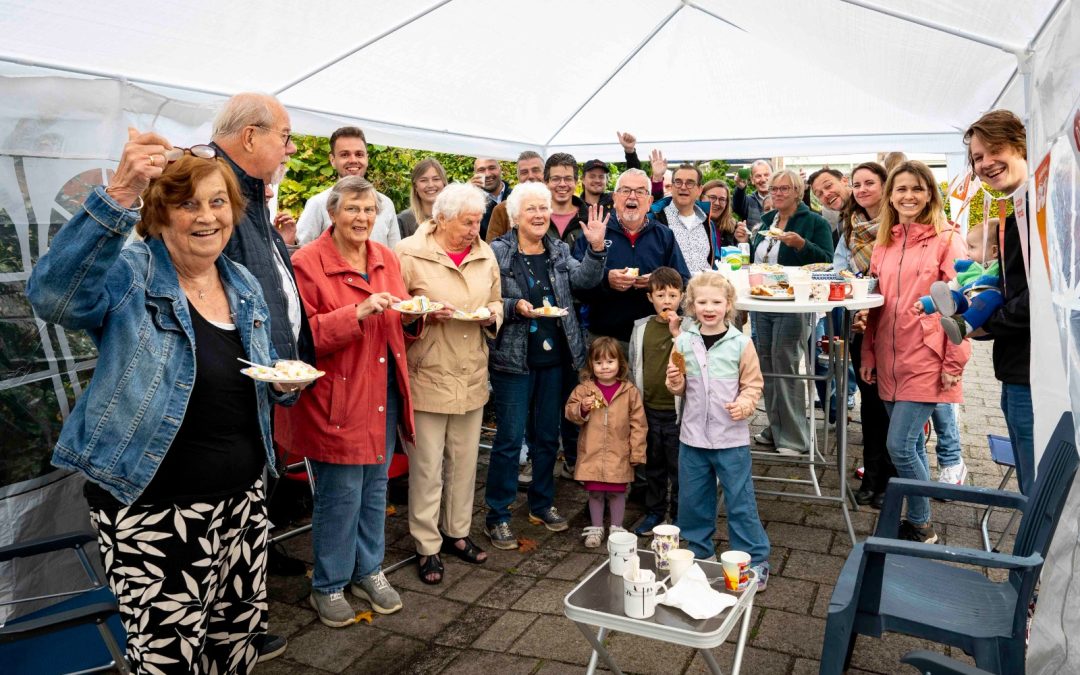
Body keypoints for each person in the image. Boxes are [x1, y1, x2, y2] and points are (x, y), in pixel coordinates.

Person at [27, 133, 303, 673]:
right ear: (159, 214)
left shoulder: (240, 280)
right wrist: (123, 189)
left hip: (243, 503)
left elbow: (257, 368)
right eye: (188, 204)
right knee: (169, 661)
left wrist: (280, 385)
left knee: (236, 648)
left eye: (218, 202)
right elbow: (53, 295)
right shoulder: (131, 275)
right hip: (155, 509)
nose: (207, 217)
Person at [275, 176, 415, 627]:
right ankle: (329, 584)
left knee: (375, 489)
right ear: (332, 213)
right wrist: (356, 312)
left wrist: (414, 318)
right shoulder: (307, 263)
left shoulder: (386, 257)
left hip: (383, 390)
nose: (363, 218)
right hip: (338, 395)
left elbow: (399, 319)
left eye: (370, 210)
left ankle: (368, 570)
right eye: (353, 209)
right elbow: (301, 337)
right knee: (340, 496)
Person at [484, 183, 608, 548]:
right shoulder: (497, 252)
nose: (539, 215)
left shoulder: (558, 249)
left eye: (544, 208)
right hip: (513, 359)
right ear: (515, 216)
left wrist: (597, 249)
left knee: (546, 436)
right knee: (509, 439)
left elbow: (584, 281)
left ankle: (541, 502)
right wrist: (512, 307)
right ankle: (498, 514)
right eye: (531, 209)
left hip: (555, 358)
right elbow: (487, 295)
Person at [395, 183, 503, 584]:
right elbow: (397, 309)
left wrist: (491, 315)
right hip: (428, 372)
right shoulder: (408, 252)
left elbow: (496, 299)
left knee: (464, 462)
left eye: (478, 221)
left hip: (471, 372)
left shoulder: (484, 251)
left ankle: (457, 533)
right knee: (426, 467)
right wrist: (421, 315)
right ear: (440, 218)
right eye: (467, 221)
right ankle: (426, 545)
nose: (475, 228)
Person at [860, 161, 971, 544]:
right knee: (910, 445)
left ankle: (922, 524)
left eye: (917, 189)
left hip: (928, 356)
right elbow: (877, 304)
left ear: (930, 194)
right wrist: (869, 355)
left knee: (899, 445)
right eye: (901, 189)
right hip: (889, 358)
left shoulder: (947, 239)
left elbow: (962, 306)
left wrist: (954, 363)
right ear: (891, 195)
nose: (909, 196)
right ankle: (918, 521)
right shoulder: (885, 241)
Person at [665, 273, 770, 589]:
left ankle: (754, 558)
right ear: (691, 306)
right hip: (693, 437)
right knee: (693, 499)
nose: (709, 308)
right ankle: (699, 553)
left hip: (730, 438)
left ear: (728, 305)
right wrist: (674, 382)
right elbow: (680, 386)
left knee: (740, 500)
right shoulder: (682, 341)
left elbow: (753, 385)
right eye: (702, 302)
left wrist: (745, 404)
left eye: (716, 302)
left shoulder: (741, 343)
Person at [963, 110, 1033, 495]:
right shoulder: (1016, 208)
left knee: (1038, 493)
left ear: (1020, 145)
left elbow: (1042, 297)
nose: (985, 163)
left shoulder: (1039, 208)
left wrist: (989, 323)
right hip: (1015, 366)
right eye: (977, 157)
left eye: (994, 150)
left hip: (1035, 373)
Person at [749, 169, 833, 456]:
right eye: (774, 188)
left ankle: (794, 438)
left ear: (798, 191)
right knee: (766, 367)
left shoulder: (814, 222)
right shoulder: (766, 221)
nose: (778, 193)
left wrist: (801, 245)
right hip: (761, 302)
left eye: (785, 188)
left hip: (794, 304)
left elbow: (827, 262)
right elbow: (759, 258)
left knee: (784, 365)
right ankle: (776, 427)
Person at [572, 168, 690, 350]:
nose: (632, 197)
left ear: (650, 201)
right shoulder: (595, 232)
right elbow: (577, 286)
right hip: (606, 341)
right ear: (615, 198)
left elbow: (683, 281)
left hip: (654, 339)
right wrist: (607, 280)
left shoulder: (664, 235)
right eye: (626, 190)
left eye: (640, 192)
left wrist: (656, 282)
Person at [838, 162, 896, 507]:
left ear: (885, 185)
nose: (861, 190)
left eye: (869, 183)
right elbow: (838, 268)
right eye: (856, 184)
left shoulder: (898, 226)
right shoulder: (852, 227)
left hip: (893, 324)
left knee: (891, 407)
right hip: (861, 323)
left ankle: (890, 480)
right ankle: (872, 478)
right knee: (870, 405)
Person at [564, 338, 647, 548]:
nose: (605, 367)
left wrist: (637, 451)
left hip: (620, 452)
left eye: (610, 361)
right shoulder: (585, 389)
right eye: (599, 362)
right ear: (591, 365)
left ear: (620, 363)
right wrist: (582, 408)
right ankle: (596, 527)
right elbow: (570, 412)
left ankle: (617, 527)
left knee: (617, 491)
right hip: (592, 452)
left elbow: (639, 423)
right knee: (595, 492)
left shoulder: (629, 391)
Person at [628, 267, 684, 535]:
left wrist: (677, 333)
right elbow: (633, 366)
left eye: (673, 295)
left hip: (677, 414)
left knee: (678, 467)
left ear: (682, 298)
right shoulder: (641, 328)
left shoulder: (688, 329)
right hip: (649, 410)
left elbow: (691, 360)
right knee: (653, 465)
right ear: (650, 297)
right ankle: (654, 512)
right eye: (660, 295)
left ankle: (679, 517)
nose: (667, 301)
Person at [295, 126, 400, 249]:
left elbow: (395, 254)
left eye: (359, 154)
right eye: (345, 155)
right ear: (333, 160)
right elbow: (302, 253)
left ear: (367, 158)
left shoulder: (386, 203)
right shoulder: (318, 204)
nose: (353, 160)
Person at [917, 218, 1003, 344]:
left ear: (994, 251)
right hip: (968, 298)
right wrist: (931, 300)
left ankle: (963, 326)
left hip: (983, 304)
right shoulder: (970, 267)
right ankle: (932, 303)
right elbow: (954, 285)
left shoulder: (1000, 266)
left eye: (972, 247)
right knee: (953, 295)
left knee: (991, 297)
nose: (967, 252)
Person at [650, 163, 716, 273]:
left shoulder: (707, 222)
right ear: (671, 187)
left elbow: (712, 262)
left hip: (704, 288)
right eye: (678, 182)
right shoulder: (656, 220)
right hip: (672, 288)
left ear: (699, 190)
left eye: (690, 183)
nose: (683, 187)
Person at [483, 151, 545, 242]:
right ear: (518, 177)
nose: (530, 176)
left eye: (535, 170)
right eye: (524, 172)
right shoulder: (502, 210)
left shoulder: (559, 205)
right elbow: (491, 251)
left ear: (545, 173)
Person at [580, 131, 644, 210]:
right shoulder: (574, 206)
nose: (597, 180)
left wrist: (630, 151)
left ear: (607, 180)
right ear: (583, 179)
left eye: (601, 177)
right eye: (592, 176)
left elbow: (634, 178)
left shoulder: (616, 200)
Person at [397, 157, 447, 240]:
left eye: (436, 179)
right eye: (423, 180)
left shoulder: (455, 217)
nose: (430, 185)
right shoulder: (403, 221)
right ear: (415, 186)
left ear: (444, 183)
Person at [701, 179, 748, 248]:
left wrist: (742, 243)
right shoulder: (691, 224)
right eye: (712, 197)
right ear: (701, 198)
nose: (717, 203)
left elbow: (746, 257)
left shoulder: (734, 227)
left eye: (722, 199)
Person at [473, 156, 511, 240]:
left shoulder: (516, 197)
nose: (487, 174)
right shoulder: (471, 203)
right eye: (481, 170)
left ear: (500, 169)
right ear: (475, 174)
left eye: (492, 168)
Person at [733, 159, 773, 230]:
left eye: (766, 175)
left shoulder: (782, 199)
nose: (763, 180)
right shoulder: (748, 202)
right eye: (758, 176)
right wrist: (740, 188)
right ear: (752, 180)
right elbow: (737, 205)